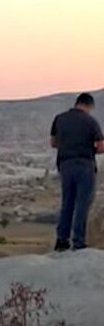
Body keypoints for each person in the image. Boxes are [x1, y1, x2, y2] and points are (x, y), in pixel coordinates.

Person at [51, 93, 104, 251]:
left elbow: (53, 143)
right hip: (85, 165)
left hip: (65, 165)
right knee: (82, 204)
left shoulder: (59, 118)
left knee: (67, 203)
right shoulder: (90, 121)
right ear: (89, 106)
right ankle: (78, 241)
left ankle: (62, 241)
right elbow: (101, 146)